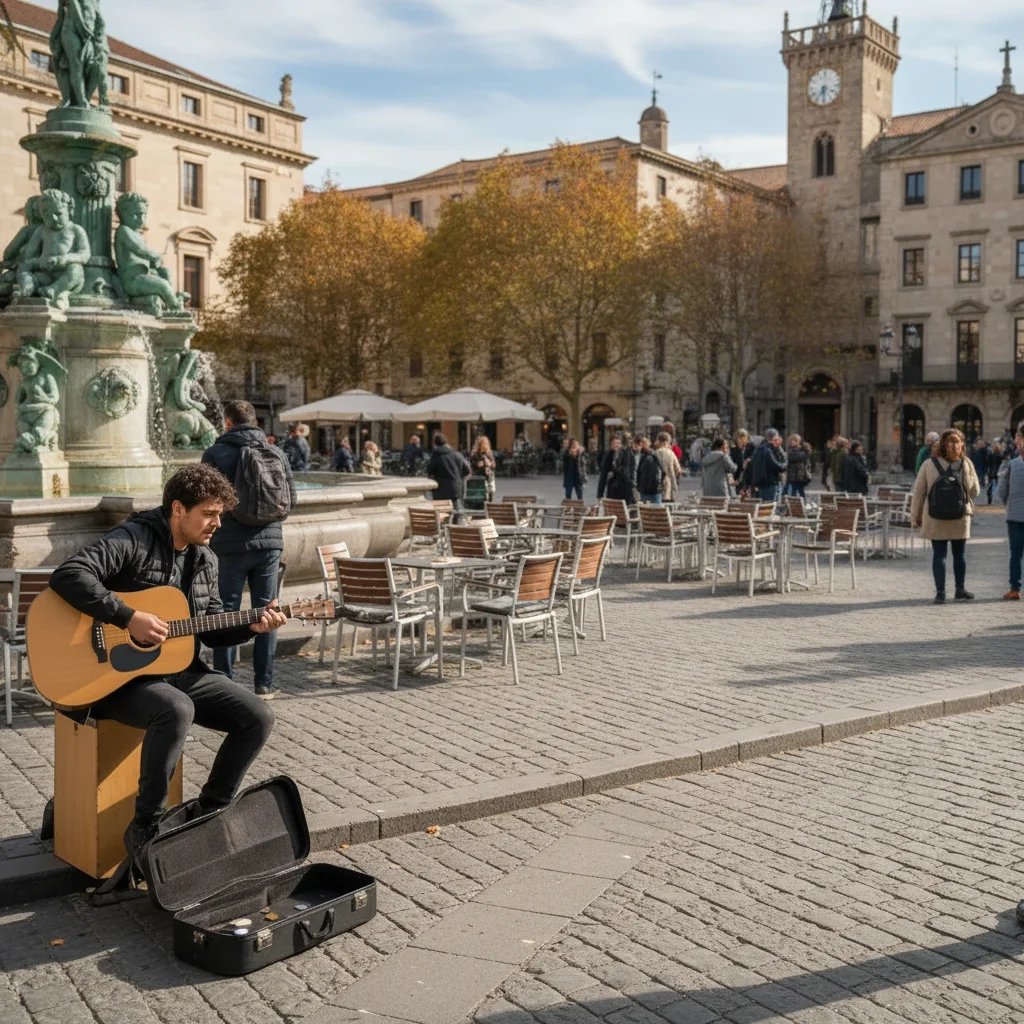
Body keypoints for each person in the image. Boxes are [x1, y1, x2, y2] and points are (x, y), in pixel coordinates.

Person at [47, 463, 284, 858]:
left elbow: (207, 627)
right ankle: (145, 826)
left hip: (177, 669)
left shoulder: (205, 559)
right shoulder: (134, 538)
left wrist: (251, 627)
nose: (217, 524)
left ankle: (208, 811)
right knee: (175, 709)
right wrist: (128, 617)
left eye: (220, 515)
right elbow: (69, 574)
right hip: (115, 677)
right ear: (178, 509)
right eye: (209, 514)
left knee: (257, 716)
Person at [202, 400, 297, 699]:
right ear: (255, 422)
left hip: (229, 544)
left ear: (228, 423)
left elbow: (205, 501)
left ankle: (224, 683)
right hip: (269, 543)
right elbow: (290, 499)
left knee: (226, 613)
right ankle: (264, 683)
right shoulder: (276, 452)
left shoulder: (216, 453)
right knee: (268, 610)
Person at [911, 427, 981, 604]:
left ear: (940, 444)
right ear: (962, 445)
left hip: (935, 516)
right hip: (959, 516)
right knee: (960, 554)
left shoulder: (929, 464)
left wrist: (915, 517)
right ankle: (960, 590)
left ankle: (940, 593)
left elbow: (919, 492)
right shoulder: (966, 463)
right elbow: (975, 490)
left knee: (939, 555)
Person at [998, 430, 1024, 599]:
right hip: (1015, 514)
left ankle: (1015, 589)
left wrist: (1006, 501)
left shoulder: (1012, 464)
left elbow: (1002, 490)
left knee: (1016, 553)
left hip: (1015, 516)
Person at [426, 431, 470, 506]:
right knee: (456, 512)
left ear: (435, 443)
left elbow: (429, 470)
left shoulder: (436, 456)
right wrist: (457, 477)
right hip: (456, 489)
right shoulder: (457, 454)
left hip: (440, 490)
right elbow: (467, 470)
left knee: (442, 512)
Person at [751, 428, 788, 503]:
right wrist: (785, 464)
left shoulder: (758, 449)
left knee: (762, 508)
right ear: (773, 439)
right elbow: (777, 466)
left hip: (760, 483)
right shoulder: (768, 450)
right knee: (771, 507)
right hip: (770, 483)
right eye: (777, 439)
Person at [653, 432, 682, 503]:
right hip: (670, 487)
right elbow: (678, 470)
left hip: (657, 487)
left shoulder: (654, 453)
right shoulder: (671, 454)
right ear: (667, 442)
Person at [636, 437, 665, 504]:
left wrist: (659, 483)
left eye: (645, 442)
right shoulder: (639, 456)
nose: (643, 444)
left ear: (649, 443)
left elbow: (662, 471)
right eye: (642, 443)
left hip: (654, 489)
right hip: (645, 489)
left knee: (656, 508)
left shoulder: (654, 455)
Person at [470, 435, 497, 501]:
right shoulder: (475, 455)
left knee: (490, 493)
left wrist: (489, 464)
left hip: (489, 477)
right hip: (479, 477)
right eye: (482, 444)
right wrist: (478, 465)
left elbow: (493, 465)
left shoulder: (489, 454)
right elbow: (473, 465)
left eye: (485, 444)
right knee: (481, 494)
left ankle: (489, 504)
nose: (484, 446)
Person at [785, 433, 811, 498]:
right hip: (792, 476)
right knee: (792, 493)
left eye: (792, 441)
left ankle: (801, 505)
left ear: (797, 441)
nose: (790, 442)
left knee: (799, 492)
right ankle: (794, 505)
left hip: (799, 476)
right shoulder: (791, 450)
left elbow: (793, 457)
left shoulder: (802, 452)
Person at [730, 429, 756, 495]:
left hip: (749, 477)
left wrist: (750, 459)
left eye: (744, 437)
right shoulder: (734, 450)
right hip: (738, 478)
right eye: (740, 438)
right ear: (737, 439)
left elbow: (755, 457)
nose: (743, 440)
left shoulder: (752, 447)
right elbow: (732, 463)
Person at [596, 435, 621, 502]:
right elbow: (603, 476)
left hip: (624, 490)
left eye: (618, 443)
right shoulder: (608, 456)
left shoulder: (625, 454)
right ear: (611, 445)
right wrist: (600, 495)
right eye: (614, 443)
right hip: (612, 488)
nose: (616, 445)